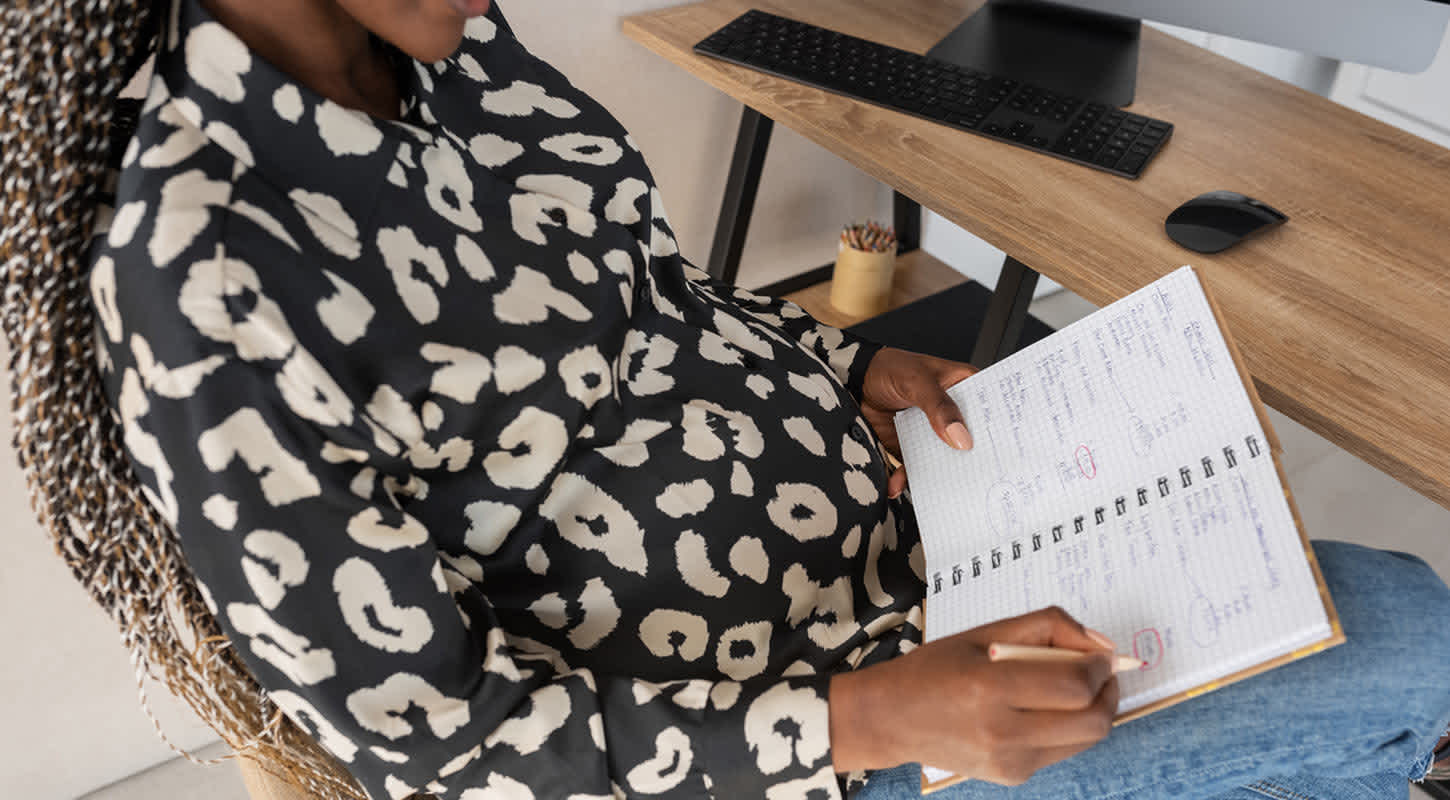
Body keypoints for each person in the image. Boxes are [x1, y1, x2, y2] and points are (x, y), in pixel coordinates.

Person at [42, 0, 1450, 796]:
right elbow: (431, 742)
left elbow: (652, 295)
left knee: (1343, 598)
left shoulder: (449, 52)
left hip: (929, 563)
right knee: (1408, 640)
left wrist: (846, 367)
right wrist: (873, 721)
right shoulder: (198, 270)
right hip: (773, 740)